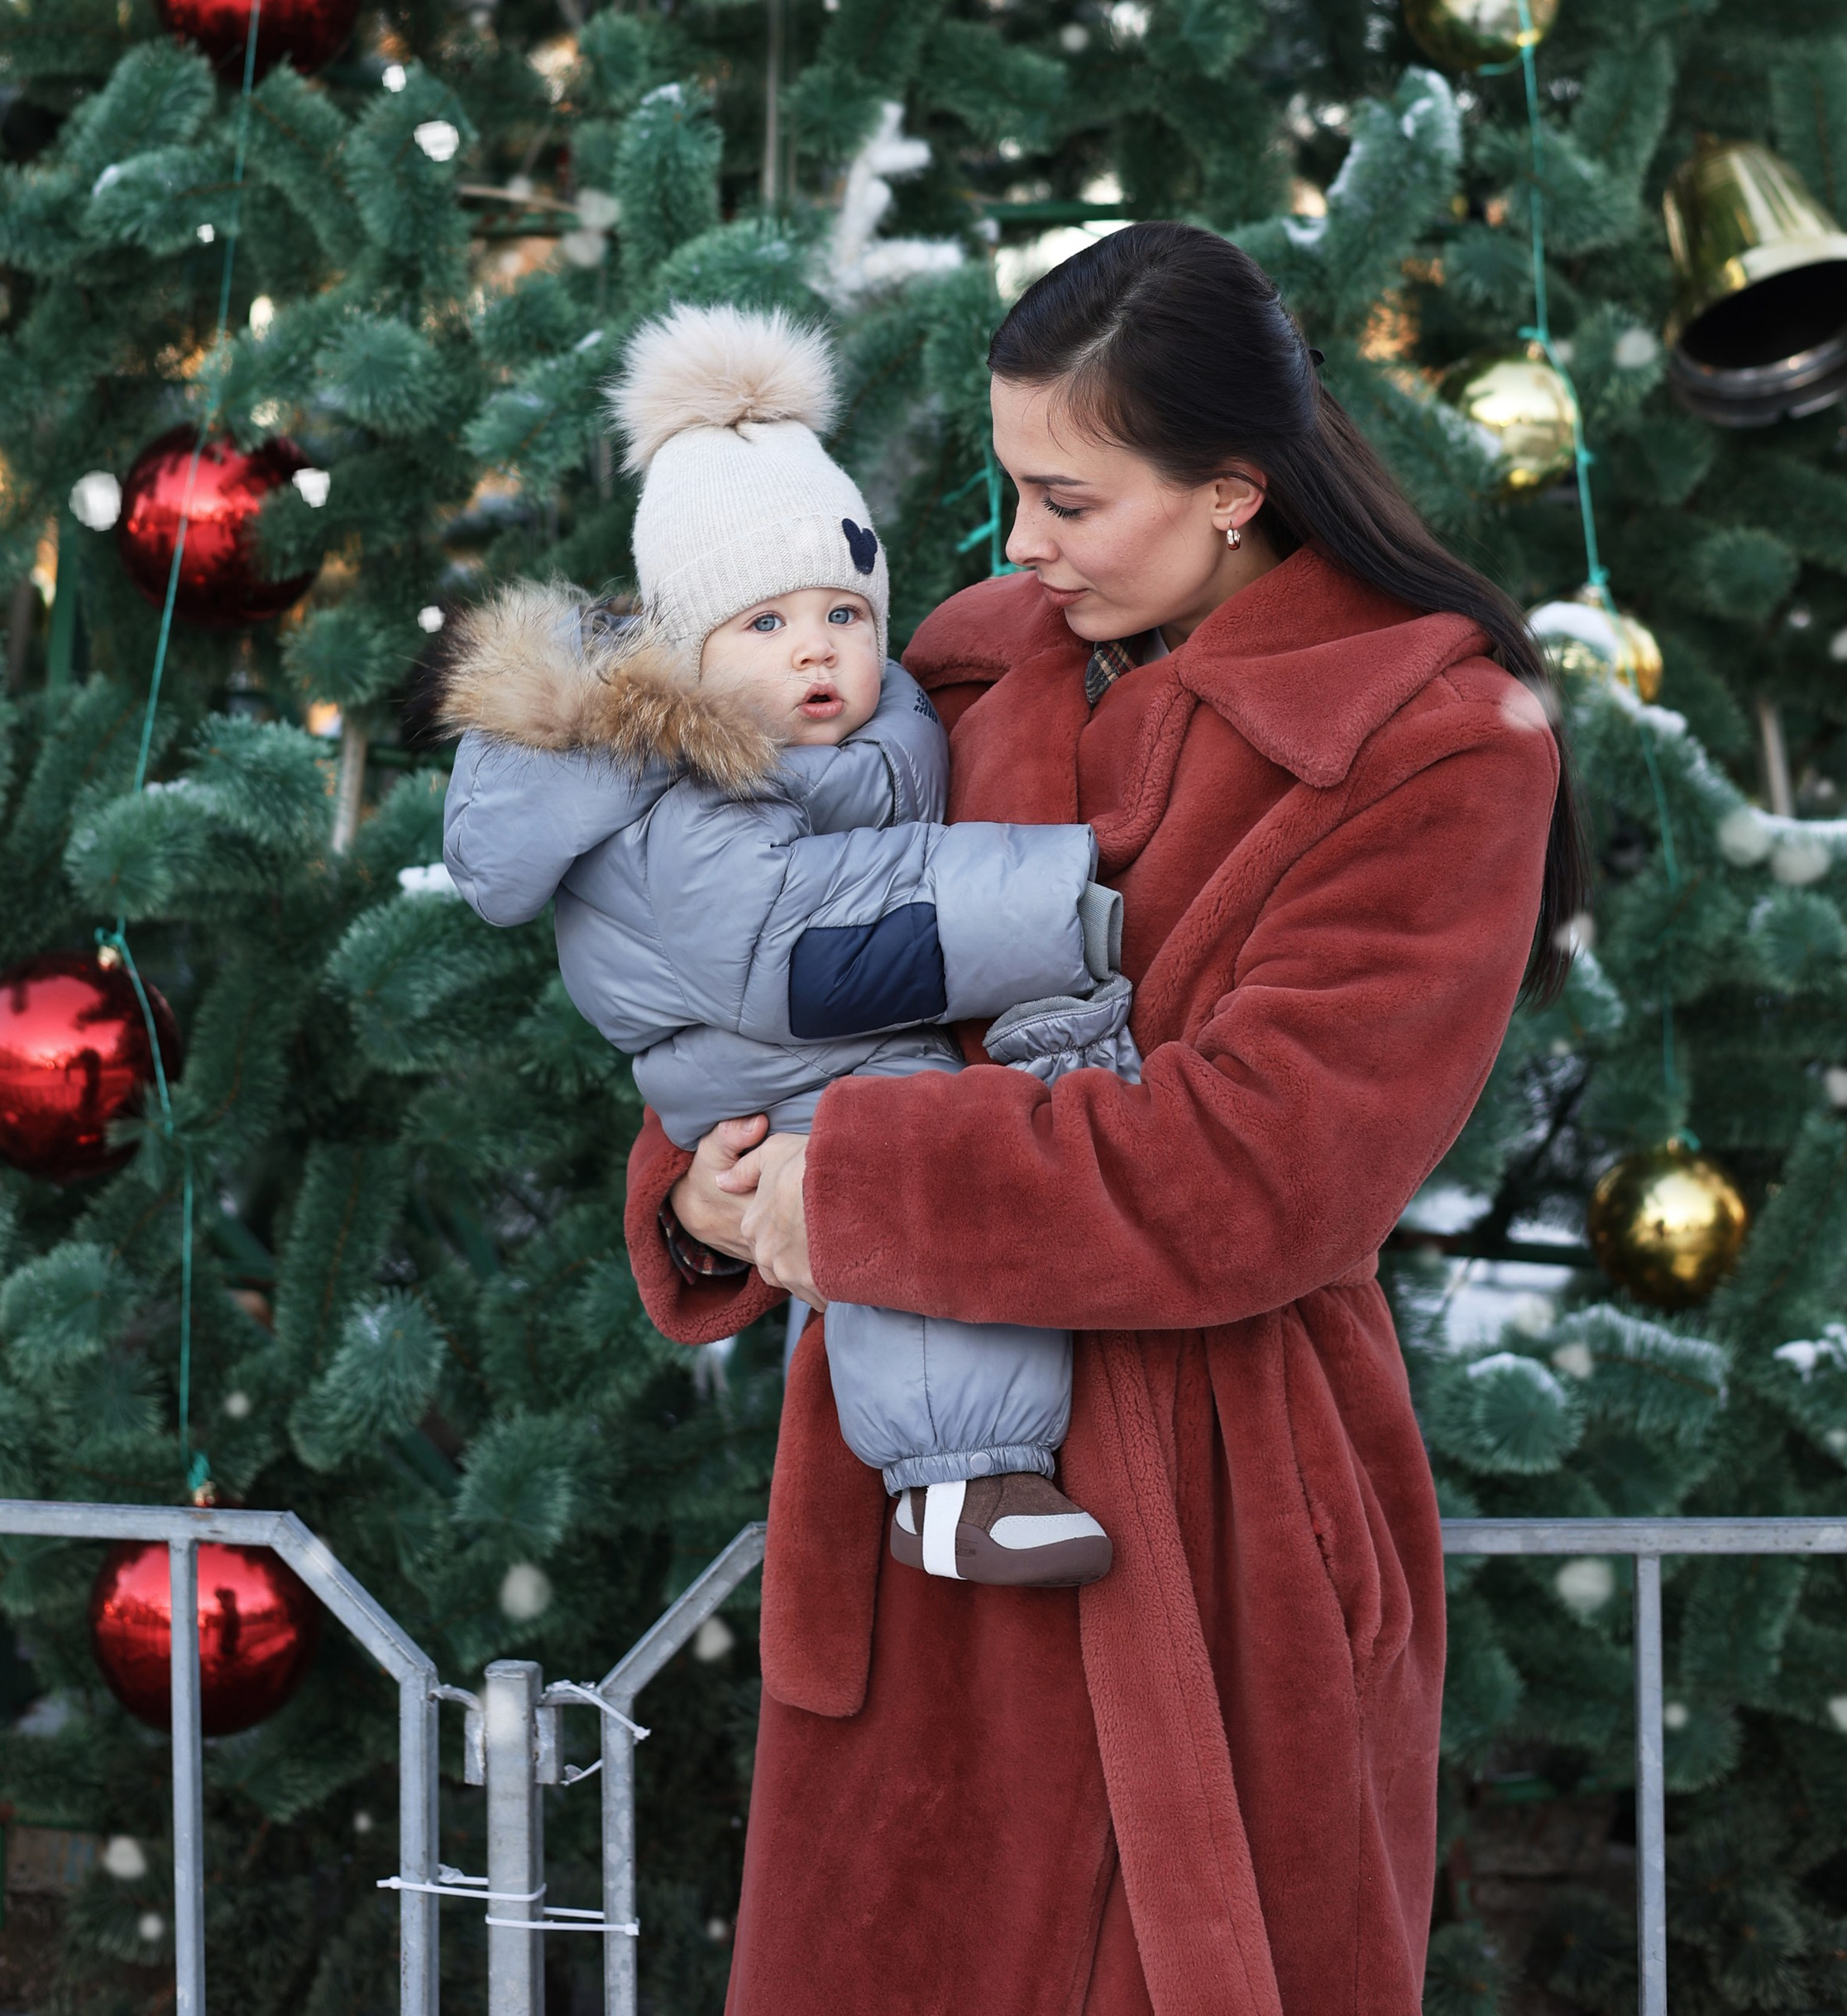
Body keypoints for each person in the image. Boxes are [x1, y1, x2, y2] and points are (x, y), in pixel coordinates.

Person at [624, 223, 1583, 2016]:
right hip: (911, 1521)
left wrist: (854, 1186)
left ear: (1231, 491)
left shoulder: (1433, 741)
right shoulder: (964, 671)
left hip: (1220, 1523)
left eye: (1067, 500)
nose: (1018, 544)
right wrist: (709, 1185)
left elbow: (1261, 1173)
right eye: (1008, 489)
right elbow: (770, 977)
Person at [441, 302, 1136, 1588]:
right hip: (785, 1058)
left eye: (844, 613)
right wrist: (1055, 908)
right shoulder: (691, 783)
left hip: (825, 1045)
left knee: (933, 1140)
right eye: (763, 624)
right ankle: (956, 1482)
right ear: (688, 657)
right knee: (906, 1166)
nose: (816, 645)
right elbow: (782, 948)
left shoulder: (882, 728)